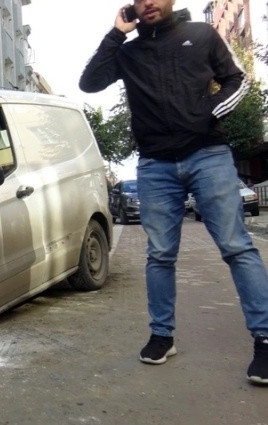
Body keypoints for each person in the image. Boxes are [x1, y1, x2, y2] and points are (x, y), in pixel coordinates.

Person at [79, 0, 268, 385]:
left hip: (208, 156)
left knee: (236, 246)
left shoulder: (200, 35)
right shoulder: (129, 53)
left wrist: (209, 112)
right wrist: (117, 33)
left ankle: (265, 339)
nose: (149, 2)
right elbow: (90, 82)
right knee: (160, 254)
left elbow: (237, 80)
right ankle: (162, 336)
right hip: (155, 165)